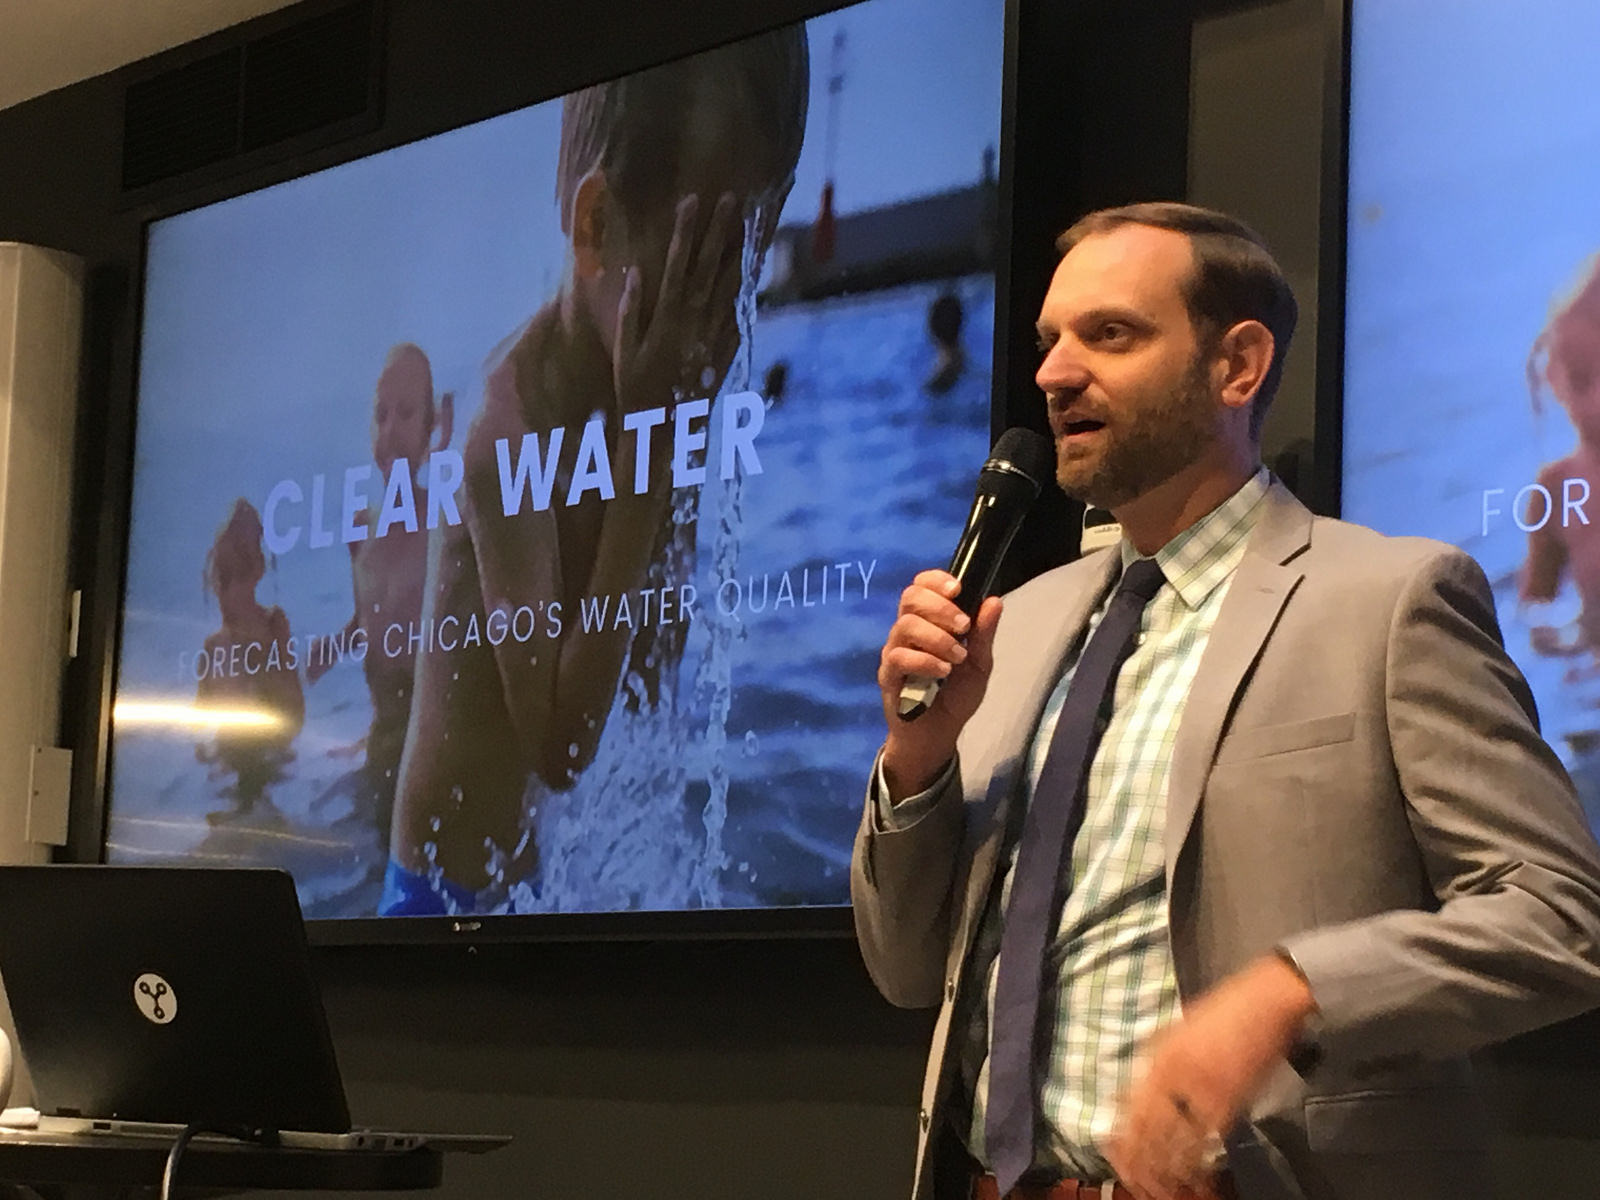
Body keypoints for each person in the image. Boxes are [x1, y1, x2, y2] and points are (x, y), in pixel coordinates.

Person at [854, 202, 1600, 1200]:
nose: (1052, 373)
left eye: (1108, 334)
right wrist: (917, 762)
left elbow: (1558, 918)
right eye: (1049, 340)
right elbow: (905, 970)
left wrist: (1290, 993)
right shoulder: (1017, 626)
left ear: (1236, 367)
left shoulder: (1387, 601)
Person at [381, 29, 809, 913]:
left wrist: (674, 426)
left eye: (744, 264)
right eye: (697, 265)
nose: (716, 314)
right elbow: (563, 749)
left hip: (527, 888)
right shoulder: (508, 428)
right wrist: (653, 444)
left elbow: (649, 680)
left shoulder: (652, 385)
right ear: (594, 227)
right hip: (434, 900)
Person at [308, 342, 452, 848]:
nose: (390, 431)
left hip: (435, 751)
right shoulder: (358, 529)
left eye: (407, 414)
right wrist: (335, 645)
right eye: (380, 415)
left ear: (432, 423)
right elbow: (371, 614)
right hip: (383, 745)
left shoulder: (444, 519)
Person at [196, 498, 305, 815]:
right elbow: (200, 719)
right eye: (225, 578)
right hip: (238, 754)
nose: (225, 592)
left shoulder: (271, 627)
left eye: (232, 575)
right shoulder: (215, 647)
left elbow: (294, 712)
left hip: (262, 754)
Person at [1521, 255, 1600, 657]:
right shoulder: (1555, 489)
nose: (1595, 402)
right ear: (1554, 377)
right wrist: (1560, 635)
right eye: (1580, 377)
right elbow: (1532, 617)